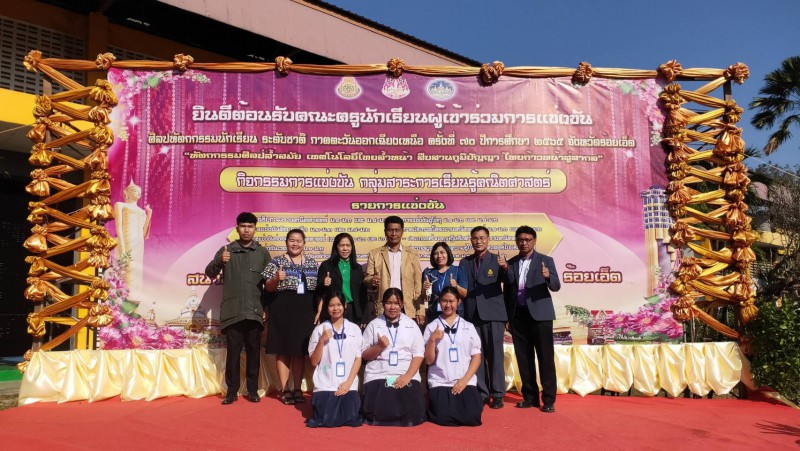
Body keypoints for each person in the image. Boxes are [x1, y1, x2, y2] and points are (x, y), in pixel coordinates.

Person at [204, 212, 270, 405]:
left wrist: (265, 307)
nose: (246, 230)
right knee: (232, 354)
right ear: (237, 228)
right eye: (243, 226)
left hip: (254, 311)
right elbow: (209, 273)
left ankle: (252, 390)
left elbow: (270, 284)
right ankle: (231, 392)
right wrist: (220, 261)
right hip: (233, 311)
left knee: (253, 353)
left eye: (250, 226)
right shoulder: (227, 250)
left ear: (255, 229)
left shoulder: (262, 253)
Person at [505, 225, 561, 413]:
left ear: (534, 241)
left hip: (540, 317)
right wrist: (507, 317)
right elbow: (508, 292)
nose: (524, 243)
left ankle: (549, 400)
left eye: (528, 240)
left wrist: (548, 276)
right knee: (524, 358)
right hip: (518, 317)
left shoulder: (546, 261)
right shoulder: (511, 263)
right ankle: (530, 397)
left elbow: (556, 286)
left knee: (545, 358)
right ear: (516, 241)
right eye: (520, 240)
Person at [263, 229, 319, 405]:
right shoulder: (276, 262)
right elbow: (268, 287)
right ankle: (285, 388)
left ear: (304, 243)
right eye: (292, 241)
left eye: (299, 241)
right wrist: (275, 278)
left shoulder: (311, 263)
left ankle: (297, 388)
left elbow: (317, 291)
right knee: (283, 349)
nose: (295, 244)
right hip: (282, 309)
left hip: (304, 311)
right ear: (286, 242)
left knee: (299, 351)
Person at [458, 226, 508, 408]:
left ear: (488, 239)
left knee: (495, 355)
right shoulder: (465, 262)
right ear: (471, 240)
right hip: (473, 315)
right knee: (477, 355)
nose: (478, 241)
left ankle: (498, 393)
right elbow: (462, 287)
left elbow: (509, 280)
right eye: (475, 238)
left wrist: (505, 268)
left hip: (494, 315)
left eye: (482, 238)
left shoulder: (497, 260)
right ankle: (482, 392)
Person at [360, 288, 426, 426]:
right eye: (389, 303)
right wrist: (379, 347)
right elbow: (364, 355)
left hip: (405, 372)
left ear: (401, 304)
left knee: (413, 410)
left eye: (396, 303)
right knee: (378, 406)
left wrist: (408, 376)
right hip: (379, 373)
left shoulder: (411, 325)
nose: (392, 307)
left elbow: (418, 354)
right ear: (383, 304)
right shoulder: (374, 325)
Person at [423, 286, 483, 426]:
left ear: (458, 302)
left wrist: (464, 381)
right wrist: (432, 340)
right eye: (444, 301)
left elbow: (476, 357)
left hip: (464, 382)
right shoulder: (431, 327)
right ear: (440, 302)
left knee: (472, 417)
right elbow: (428, 360)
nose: (448, 305)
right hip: (441, 382)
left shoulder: (468, 327)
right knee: (442, 418)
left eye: (451, 301)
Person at [307, 292, 363, 428]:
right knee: (326, 419)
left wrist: (348, 383)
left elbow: (358, 358)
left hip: (348, 385)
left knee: (351, 418)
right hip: (325, 385)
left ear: (345, 305)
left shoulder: (354, 329)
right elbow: (313, 362)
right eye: (331, 305)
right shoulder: (319, 330)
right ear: (327, 308)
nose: (335, 308)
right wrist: (322, 340)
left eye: (339, 304)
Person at [364, 216, 423, 325]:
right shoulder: (375, 254)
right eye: (390, 230)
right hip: (384, 307)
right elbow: (367, 278)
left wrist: (420, 310)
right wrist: (372, 281)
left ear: (402, 232)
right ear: (385, 232)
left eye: (397, 230)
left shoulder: (412, 254)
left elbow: (418, 285)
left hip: (407, 307)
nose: (394, 233)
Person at [315, 233, 368, 327]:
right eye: (342, 245)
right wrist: (323, 284)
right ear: (336, 247)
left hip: (353, 311)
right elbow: (318, 292)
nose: (345, 248)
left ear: (352, 247)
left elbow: (363, 294)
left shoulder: (357, 268)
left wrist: (364, 316)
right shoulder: (326, 265)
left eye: (348, 245)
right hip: (333, 310)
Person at [114, 179, 152, 306]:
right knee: (127, 267)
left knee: (137, 270)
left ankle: (135, 297)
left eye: (139, 192)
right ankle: (126, 296)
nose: (138, 194)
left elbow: (144, 234)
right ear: (126, 192)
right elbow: (119, 228)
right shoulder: (121, 205)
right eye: (135, 191)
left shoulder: (142, 211)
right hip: (127, 240)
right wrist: (122, 246)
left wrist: (149, 215)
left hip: (138, 243)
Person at [420, 242, 467, 324]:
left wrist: (456, 286)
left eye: (442, 252)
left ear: (448, 253)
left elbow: (464, 294)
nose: (439, 256)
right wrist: (425, 289)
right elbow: (426, 297)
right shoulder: (428, 273)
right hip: (434, 313)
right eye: (436, 253)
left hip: (455, 312)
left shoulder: (458, 270)